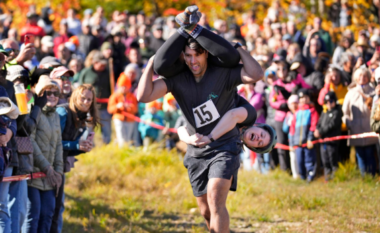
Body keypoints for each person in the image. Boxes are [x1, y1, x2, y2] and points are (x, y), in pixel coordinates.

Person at [138, 6, 263, 231]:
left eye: (197, 54)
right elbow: (144, 95)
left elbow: (256, 74)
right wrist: (150, 65)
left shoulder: (223, 73)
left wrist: (240, 50)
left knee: (216, 200)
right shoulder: (177, 79)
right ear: (182, 56)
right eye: (188, 55)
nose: (193, 61)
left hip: (224, 146)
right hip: (196, 152)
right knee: (206, 210)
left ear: (206, 53)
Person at [50, 84, 99, 233]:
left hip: (59, 167)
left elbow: (67, 150)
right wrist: (76, 145)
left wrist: (81, 148)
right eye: (82, 98)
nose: (85, 102)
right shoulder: (63, 112)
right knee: (46, 212)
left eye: (89, 99)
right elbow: (52, 142)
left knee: (57, 210)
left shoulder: (83, 118)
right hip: (46, 166)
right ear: (75, 97)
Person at [26, 75, 63, 233]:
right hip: (33, 175)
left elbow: (59, 145)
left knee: (48, 216)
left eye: (56, 93)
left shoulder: (55, 115)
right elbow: (30, 142)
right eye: (49, 93)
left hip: (50, 178)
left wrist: (59, 172)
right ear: (40, 94)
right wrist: (47, 167)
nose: (53, 96)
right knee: (32, 218)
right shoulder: (32, 112)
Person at [270, 59, 311, 172]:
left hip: (296, 116)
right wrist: (282, 104)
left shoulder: (295, 80)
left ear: (287, 70)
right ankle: (285, 169)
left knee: (296, 142)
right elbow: (271, 101)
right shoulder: (276, 85)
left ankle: (298, 169)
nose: (282, 71)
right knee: (282, 143)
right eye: (279, 69)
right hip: (281, 117)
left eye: (284, 69)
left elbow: (307, 89)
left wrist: (297, 85)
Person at [342, 67, 378, 176]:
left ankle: (372, 176)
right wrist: (349, 124)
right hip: (356, 129)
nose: (362, 78)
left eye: (365, 76)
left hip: (369, 129)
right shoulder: (351, 93)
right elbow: (345, 112)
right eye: (360, 76)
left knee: (370, 153)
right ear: (356, 78)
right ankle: (364, 177)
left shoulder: (373, 91)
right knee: (360, 155)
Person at [79, 51, 112, 144]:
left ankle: (107, 146)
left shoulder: (108, 73)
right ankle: (87, 146)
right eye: (101, 64)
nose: (103, 66)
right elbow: (80, 90)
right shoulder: (86, 72)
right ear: (95, 62)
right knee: (88, 128)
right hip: (89, 106)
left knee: (107, 129)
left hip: (105, 107)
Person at [289, 89, 319, 182]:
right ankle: (302, 177)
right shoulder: (297, 112)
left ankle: (310, 176)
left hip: (307, 142)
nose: (304, 99)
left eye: (305, 97)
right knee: (299, 160)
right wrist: (291, 142)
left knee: (309, 159)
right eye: (301, 98)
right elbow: (292, 128)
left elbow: (314, 125)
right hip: (297, 142)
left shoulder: (312, 111)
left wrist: (310, 138)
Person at [314, 92, 342, 181]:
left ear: (335, 101)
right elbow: (319, 123)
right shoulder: (324, 112)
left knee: (333, 160)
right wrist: (317, 130)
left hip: (332, 142)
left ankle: (335, 178)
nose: (328, 103)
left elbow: (332, 125)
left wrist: (320, 132)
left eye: (330, 101)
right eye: (326, 101)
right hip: (323, 141)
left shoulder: (337, 111)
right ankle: (327, 178)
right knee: (325, 161)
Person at [107, 74, 138, 147]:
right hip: (118, 119)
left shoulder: (132, 96)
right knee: (121, 138)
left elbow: (135, 109)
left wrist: (128, 107)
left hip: (130, 120)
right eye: (122, 86)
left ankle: (126, 151)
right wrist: (118, 107)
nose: (124, 88)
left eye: (126, 86)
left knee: (128, 139)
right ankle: (121, 151)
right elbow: (110, 109)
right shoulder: (115, 96)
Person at [283, 94, 299, 179]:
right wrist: (288, 122)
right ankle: (295, 174)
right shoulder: (288, 114)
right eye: (292, 103)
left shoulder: (300, 112)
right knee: (293, 157)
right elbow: (285, 129)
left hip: (300, 138)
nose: (294, 105)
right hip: (291, 139)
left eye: (296, 103)